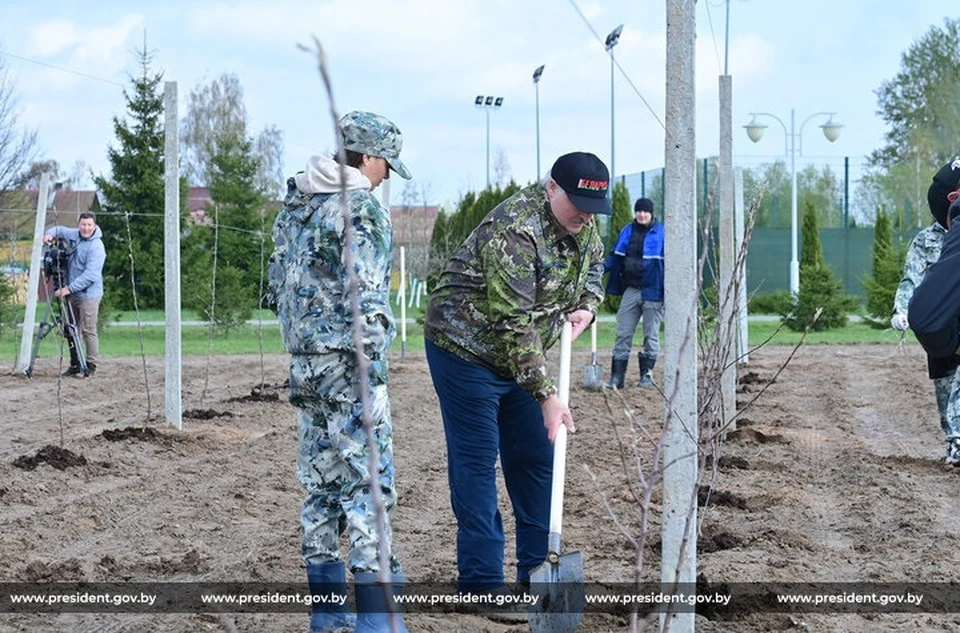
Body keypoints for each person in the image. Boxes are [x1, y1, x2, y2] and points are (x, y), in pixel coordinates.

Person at [423, 151, 608, 610]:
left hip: (520, 357)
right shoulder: (517, 229)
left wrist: (588, 303)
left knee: (535, 459)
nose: (584, 217)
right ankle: (482, 582)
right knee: (477, 461)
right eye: (577, 206)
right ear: (551, 188)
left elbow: (595, 269)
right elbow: (512, 322)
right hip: (465, 349)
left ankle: (536, 572)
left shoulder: (585, 223)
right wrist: (546, 394)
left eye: (592, 209)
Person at [266, 110, 412, 633]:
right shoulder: (362, 210)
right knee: (368, 485)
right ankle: (378, 621)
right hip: (350, 367)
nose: (387, 175)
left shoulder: (297, 205)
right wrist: (373, 368)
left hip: (305, 365)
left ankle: (328, 616)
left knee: (321, 482)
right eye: (386, 163)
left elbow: (274, 286)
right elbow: (368, 300)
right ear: (369, 156)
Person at [893, 159, 960, 464]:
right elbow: (912, 279)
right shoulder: (926, 240)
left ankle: (958, 441)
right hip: (940, 324)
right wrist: (902, 310)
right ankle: (953, 440)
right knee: (945, 385)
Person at [604, 197, 665, 389]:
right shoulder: (627, 231)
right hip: (631, 290)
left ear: (651, 213)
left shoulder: (662, 233)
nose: (642, 214)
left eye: (645, 211)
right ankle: (617, 379)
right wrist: (599, 268)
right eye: (639, 211)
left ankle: (647, 376)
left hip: (654, 292)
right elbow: (615, 257)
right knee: (622, 332)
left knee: (651, 335)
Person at [43, 212, 106, 377]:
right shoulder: (73, 235)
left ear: (94, 226)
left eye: (89, 225)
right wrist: (49, 235)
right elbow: (58, 229)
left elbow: (91, 275)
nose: (86, 228)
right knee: (70, 329)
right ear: (79, 224)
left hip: (88, 295)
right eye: (83, 225)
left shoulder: (96, 247)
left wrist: (69, 289)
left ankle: (90, 366)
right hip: (70, 294)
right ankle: (75, 364)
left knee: (88, 330)